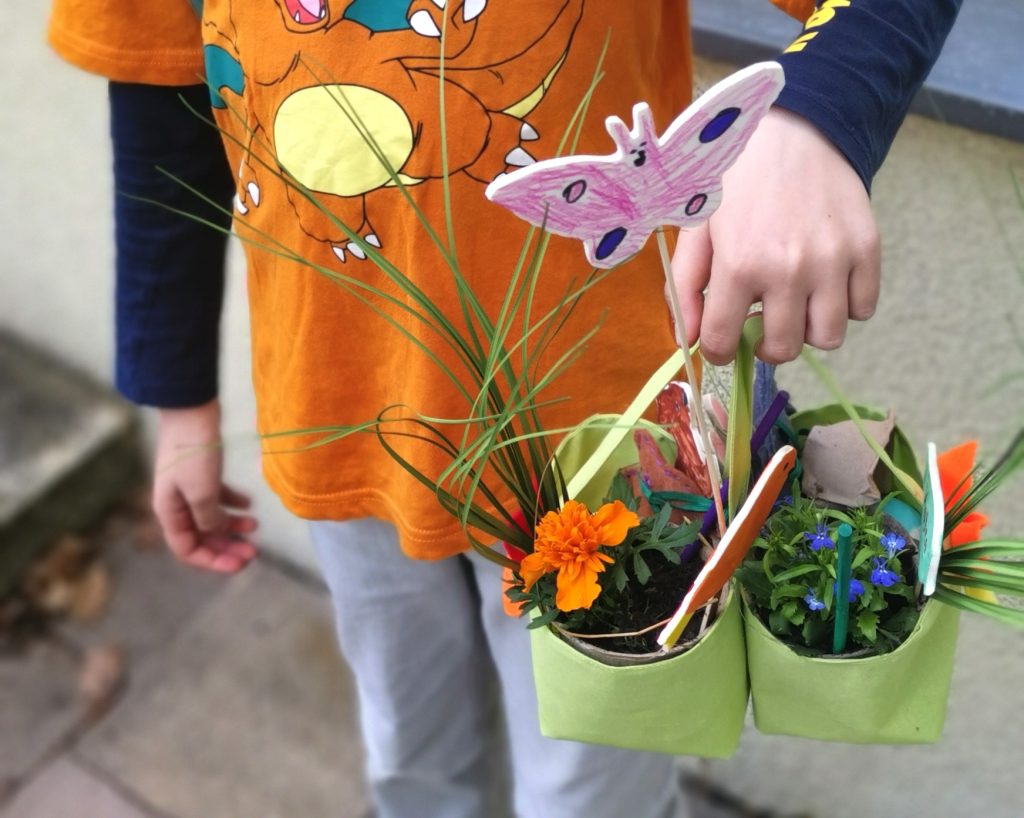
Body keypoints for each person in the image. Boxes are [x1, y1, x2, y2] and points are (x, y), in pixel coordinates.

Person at [48, 1, 962, 816]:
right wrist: (178, 403)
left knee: (595, 788)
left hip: (608, 455)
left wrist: (815, 120)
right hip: (345, 424)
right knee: (409, 750)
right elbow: (159, 93)